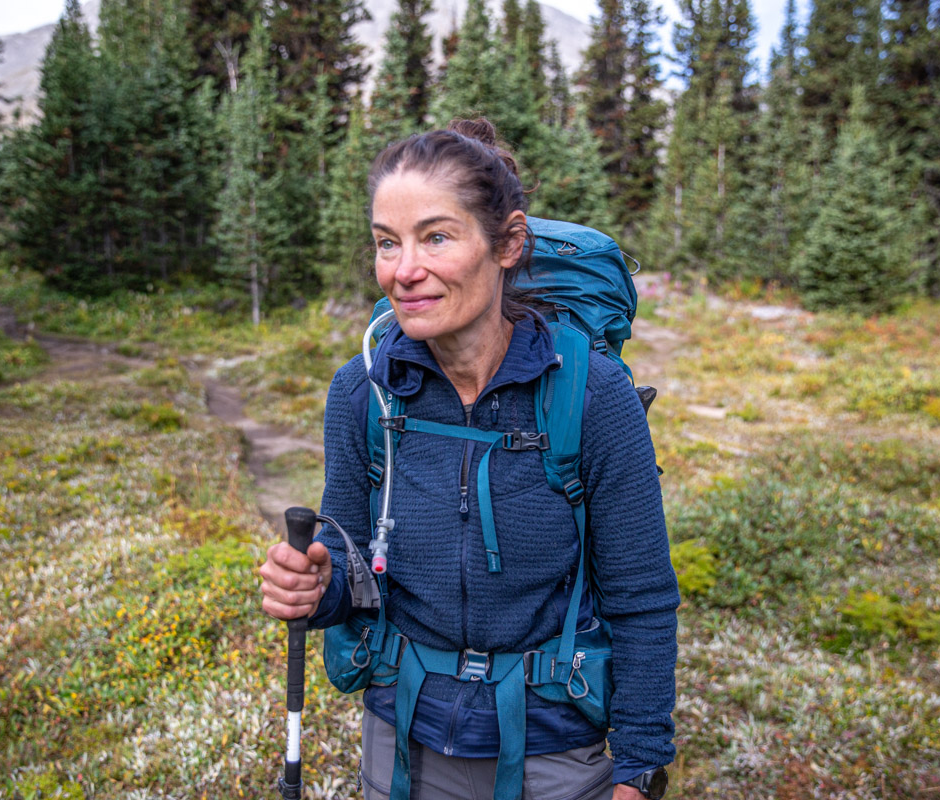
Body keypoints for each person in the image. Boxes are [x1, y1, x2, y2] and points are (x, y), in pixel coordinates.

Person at [258, 118, 678, 800]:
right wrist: (317, 585)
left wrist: (639, 770)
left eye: (436, 237)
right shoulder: (361, 391)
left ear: (507, 243)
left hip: (556, 750)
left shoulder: (591, 396)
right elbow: (353, 566)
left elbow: (643, 599)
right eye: (387, 244)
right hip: (403, 743)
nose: (405, 270)